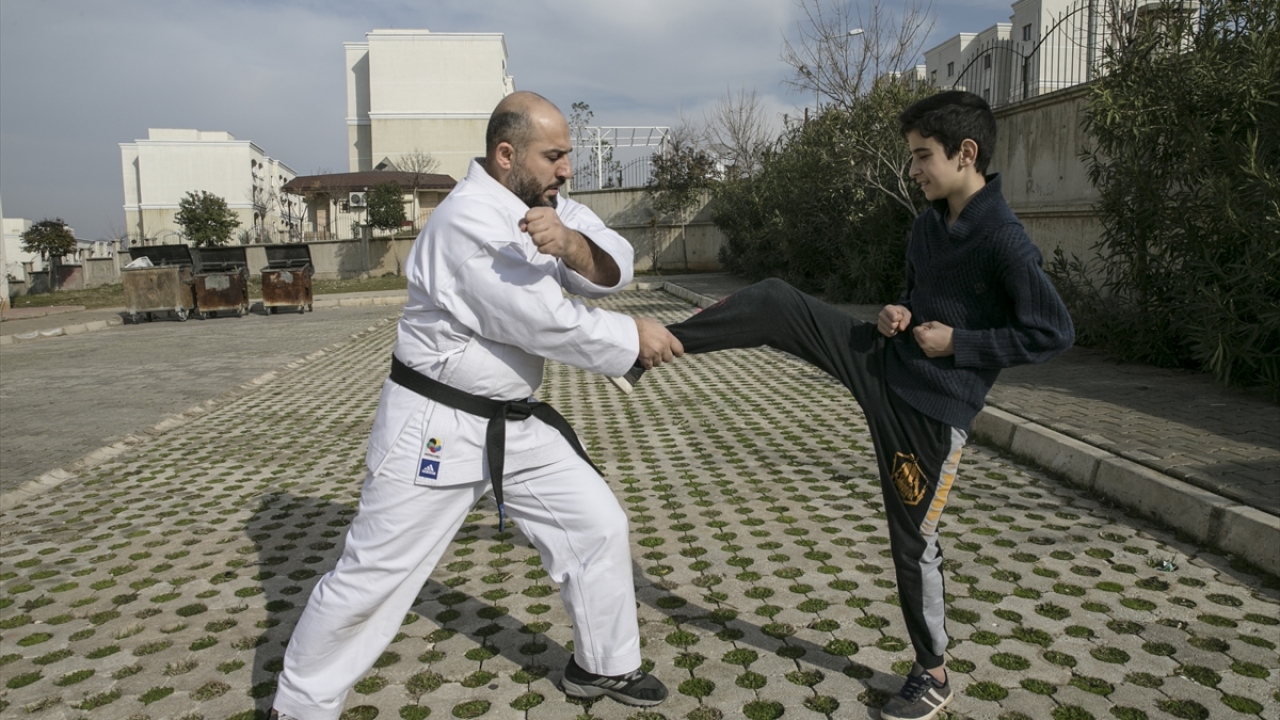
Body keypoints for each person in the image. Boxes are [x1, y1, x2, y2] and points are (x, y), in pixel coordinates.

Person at [614, 90, 1074, 720]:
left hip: (930, 414)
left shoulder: (1005, 241)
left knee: (913, 544)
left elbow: (1053, 332)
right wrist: (899, 312)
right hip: (882, 358)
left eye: (921, 157)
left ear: (966, 154)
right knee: (776, 299)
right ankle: (647, 352)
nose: (912, 170)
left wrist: (960, 344)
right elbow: (919, 298)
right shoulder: (926, 226)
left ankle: (933, 673)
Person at [269, 91, 682, 720]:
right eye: (555, 156)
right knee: (375, 576)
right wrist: (632, 339)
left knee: (596, 525)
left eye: (567, 155)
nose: (567, 169)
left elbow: (616, 264)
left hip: (513, 421)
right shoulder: (466, 220)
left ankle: (603, 665)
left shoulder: (545, 204)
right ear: (507, 153)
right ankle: (299, 706)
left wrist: (569, 243)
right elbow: (539, 321)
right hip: (437, 425)